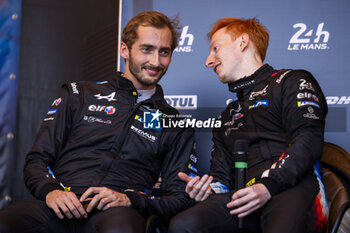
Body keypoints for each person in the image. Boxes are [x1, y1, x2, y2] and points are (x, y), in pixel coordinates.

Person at [0, 11, 197, 233]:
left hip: (116, 212)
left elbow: (179, 198)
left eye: (164, 52)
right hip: (59, 206)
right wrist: (52, 191)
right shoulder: (79, 94)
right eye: (147, 49)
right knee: (5, 221)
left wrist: (129, 199)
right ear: (124, 49)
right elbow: (37, 160)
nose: (155, 61)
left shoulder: (175, 122)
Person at [169, 17, 328, 233]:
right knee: (183, 225)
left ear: (243, 42)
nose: (208, 61)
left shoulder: (292, 81)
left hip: (293, 188)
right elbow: (222, 179)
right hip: (244, 199)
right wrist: (207, 189)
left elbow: (308, 140)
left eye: (216, 49)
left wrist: (268, 185)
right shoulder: (227, 116)